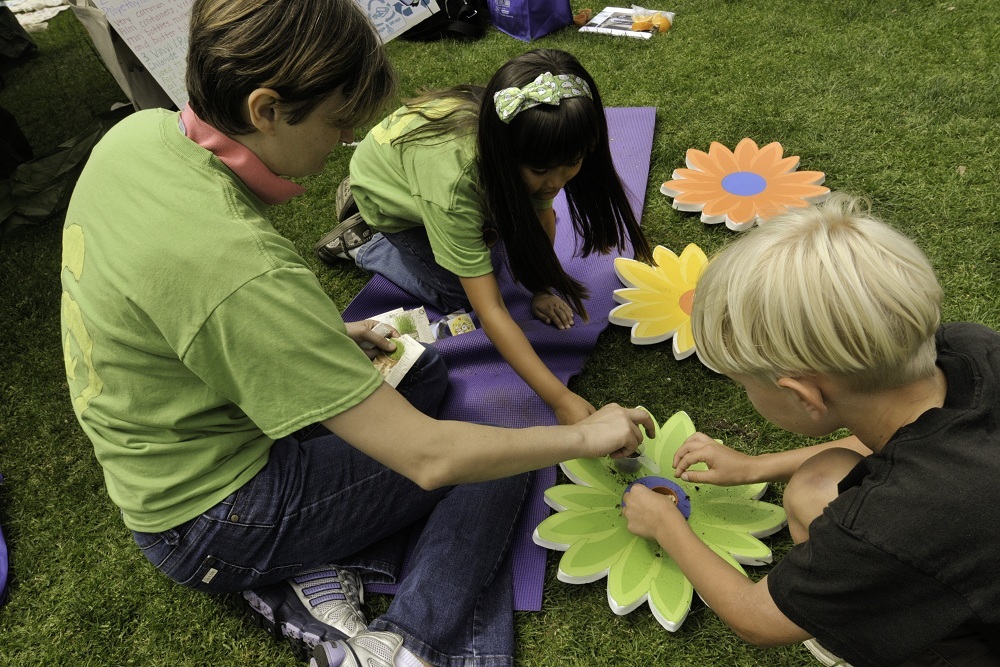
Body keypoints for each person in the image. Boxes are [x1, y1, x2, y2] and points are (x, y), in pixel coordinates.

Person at [58, 2, 655, 666]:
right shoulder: (241, 270)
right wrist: (582, 432)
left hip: (175, 442)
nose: (343, 143)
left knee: (423, 373)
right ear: (266, 109)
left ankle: (319, 564)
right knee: (501, 459)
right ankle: (404, 644)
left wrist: (327, 339)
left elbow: (172, 309)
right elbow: (430, 458)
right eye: (338, 124)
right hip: (210, 521)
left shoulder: (138, 135)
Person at [621, 194, 1000, 667]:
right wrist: (753, 467)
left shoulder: (892, 522)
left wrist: (665, 525)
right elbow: (900, 436)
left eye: (745, 386)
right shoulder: (972, 348)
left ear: (803, 395)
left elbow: (756, 619)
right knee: (818, 482)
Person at [314, 48, 654, 427]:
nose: (557, 182)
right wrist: (559, 399)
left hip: (420, 168)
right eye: (542, 170)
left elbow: (542, 217)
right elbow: (490, 311)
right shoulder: (455, 186)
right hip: (393, 195)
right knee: (460, 294)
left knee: (495, 244)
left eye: (571, 164)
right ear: (504, 154)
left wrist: (540, 286)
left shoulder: (531, 134)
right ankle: (366, 241)